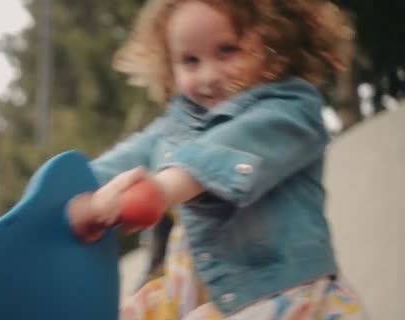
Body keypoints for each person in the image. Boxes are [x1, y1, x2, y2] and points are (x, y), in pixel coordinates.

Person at [67, 0, 368, 318]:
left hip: (280, 293)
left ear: (273, 43)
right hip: (198, 296)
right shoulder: (178, 124)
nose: (208, 75)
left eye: (227, 50)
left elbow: (223, 151)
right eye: (190, 60)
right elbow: (129, 157)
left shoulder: (291, 108)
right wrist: (73, 193)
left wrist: (157, 190)